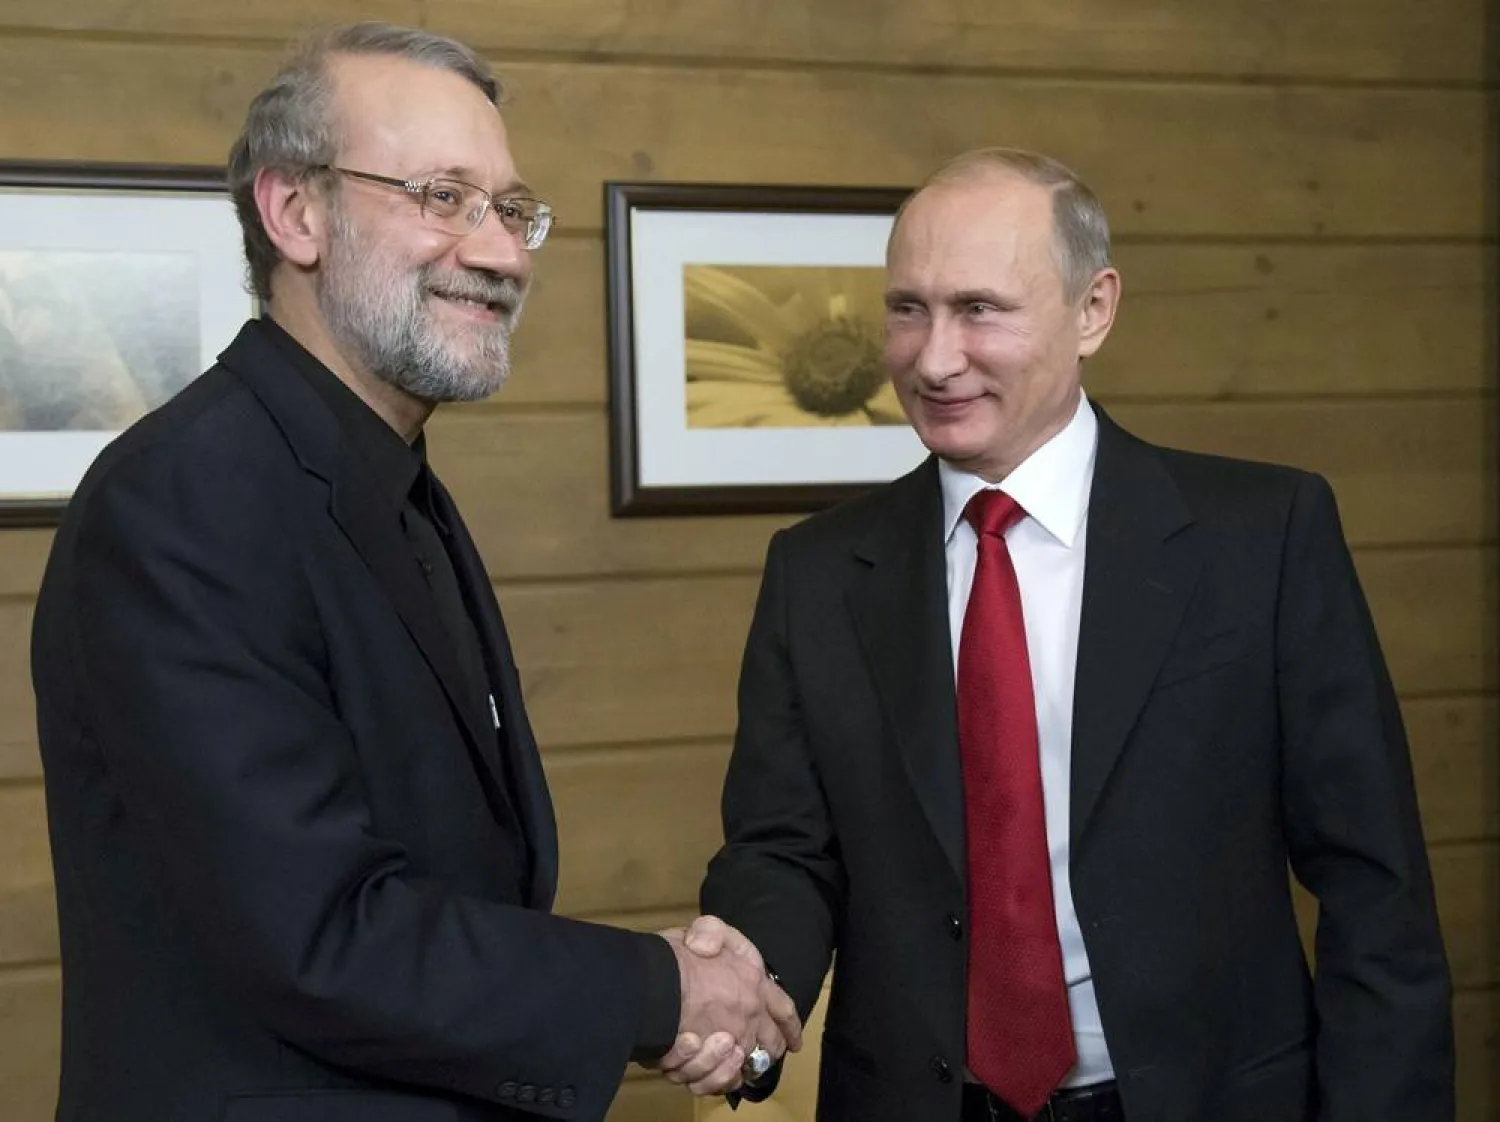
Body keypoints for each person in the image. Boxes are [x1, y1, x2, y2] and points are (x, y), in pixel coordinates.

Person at [30, 22, 796, 1122]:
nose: (503, 253)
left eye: (510, 209)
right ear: (295, 213)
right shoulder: (184, 501)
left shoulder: (393, 485)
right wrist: (659, 986)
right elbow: (319, 934)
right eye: (442, 197)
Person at [693, 147, 1455, 1121]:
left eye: (979, 309)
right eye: (908, 308)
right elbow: (783, 851)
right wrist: (750, 992)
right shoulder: (818, 573)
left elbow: (1375, 888)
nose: (932, 358)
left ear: (1093, 309)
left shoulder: (1261, 539)